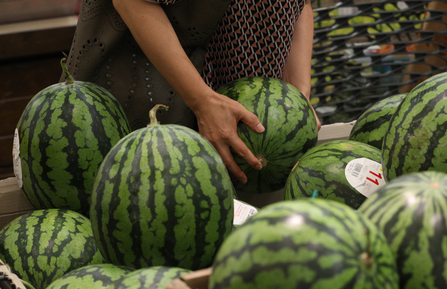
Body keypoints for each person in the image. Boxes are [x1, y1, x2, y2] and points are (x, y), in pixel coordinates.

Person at [64, 0, 318, 185]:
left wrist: (298, 97)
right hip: (163, 108)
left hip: (250, 135)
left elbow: (300, 5)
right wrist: (202, 100)